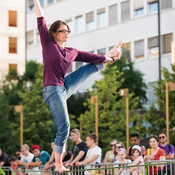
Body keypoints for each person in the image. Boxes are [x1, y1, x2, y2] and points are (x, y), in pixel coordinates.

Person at [33, 0, 123, 173]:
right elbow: (41, 20)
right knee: (64, 127)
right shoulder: (48, 44)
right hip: (52, 90)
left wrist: (110, 58)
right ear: (54, 33)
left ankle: (110, 55)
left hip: (64, 85)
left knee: (86, 69)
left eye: (68, 31)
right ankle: (59, 164)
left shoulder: (72, 51)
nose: (66, 33)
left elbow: (92, 57)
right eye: (62, 31)